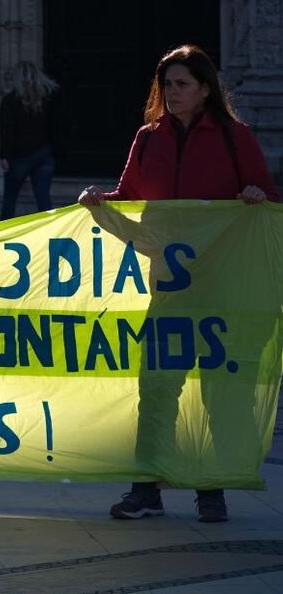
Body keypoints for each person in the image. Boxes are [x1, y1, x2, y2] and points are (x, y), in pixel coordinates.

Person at [78, 44, 279, 523]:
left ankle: (212, 489)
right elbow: (129, 196)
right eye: (167, 84)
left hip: (222, 288)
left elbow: (267, 201)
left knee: (219, 392)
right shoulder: (149, 139)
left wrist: (254, 196)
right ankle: (146, 488)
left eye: (182, 84)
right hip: (170, 288)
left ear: (205, 89)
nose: (172, 92)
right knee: (157, 388)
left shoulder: (235, 137)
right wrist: (99, 201)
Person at [0, 61, 63, 220]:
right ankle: (49, 229)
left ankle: (5, 229)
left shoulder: (10, 101)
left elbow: (6, 131)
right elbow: (58, 126)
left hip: (20, 156)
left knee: (10, 198)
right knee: (43, 198)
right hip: (44, 152)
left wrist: (4, 156)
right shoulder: (48, 99)